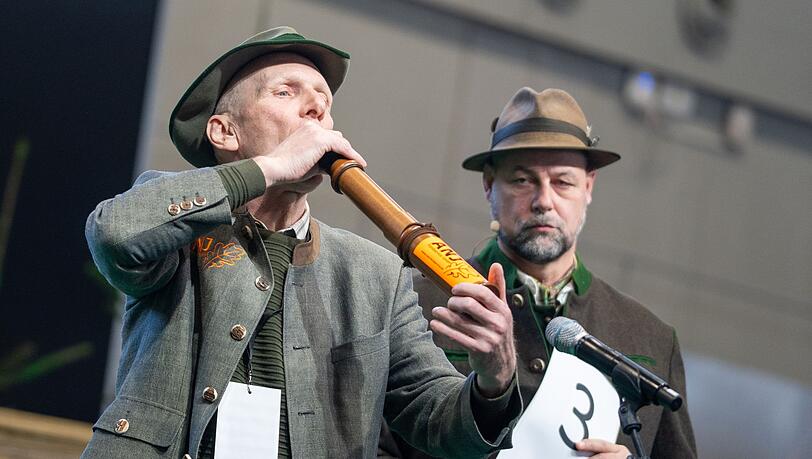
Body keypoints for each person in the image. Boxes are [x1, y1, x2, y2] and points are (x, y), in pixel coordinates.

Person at [82, 27, 522, 459]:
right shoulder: (181, 228)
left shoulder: (376, 275)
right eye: (285, 92)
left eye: (324, 101)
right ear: (224, 132)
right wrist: (270, 167)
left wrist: (494, 380)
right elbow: (116, 234)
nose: (316, 108)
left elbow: (438, 421)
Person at [379, 87, 697, 458]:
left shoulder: (652, 339)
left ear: (589, 187)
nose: (544, 200)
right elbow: (371, 446)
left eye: (563, 182)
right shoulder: (416, 303)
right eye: (522, 180)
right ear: (488, 185)